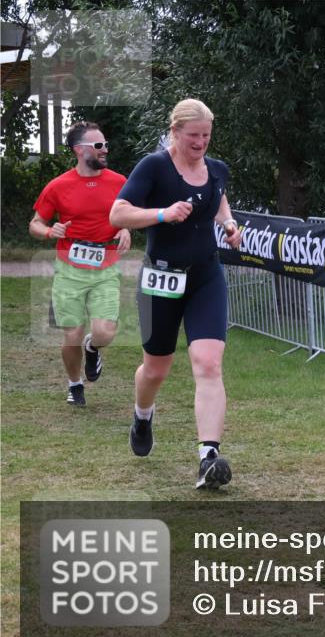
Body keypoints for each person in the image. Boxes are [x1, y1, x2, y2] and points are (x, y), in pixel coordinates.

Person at [109, 99, 242, 490]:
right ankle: (142, 413)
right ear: (175, 131)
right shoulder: (154, 167)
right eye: (194, 136)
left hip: (205, 276)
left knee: (208, 362)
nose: (201, 143)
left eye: (206, 135)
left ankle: (208, 457)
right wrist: (162, 214)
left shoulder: (217, 170)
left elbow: (217, 201)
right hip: (161, 277)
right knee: (156, 368)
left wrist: (230, 223)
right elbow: (118, 214)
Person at [28, 121, 130, 407]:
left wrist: (125, 229)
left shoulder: (119, 182)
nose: (105, 149)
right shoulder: (58, 186)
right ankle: (75, 384)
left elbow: (129, 213)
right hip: (69, 270)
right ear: (79, 150)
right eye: (99, 146)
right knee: (71, 334)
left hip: (106, 266)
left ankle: (93, 346)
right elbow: (35, 224)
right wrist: (49, 231)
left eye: (105, 144)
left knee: (105, 332)